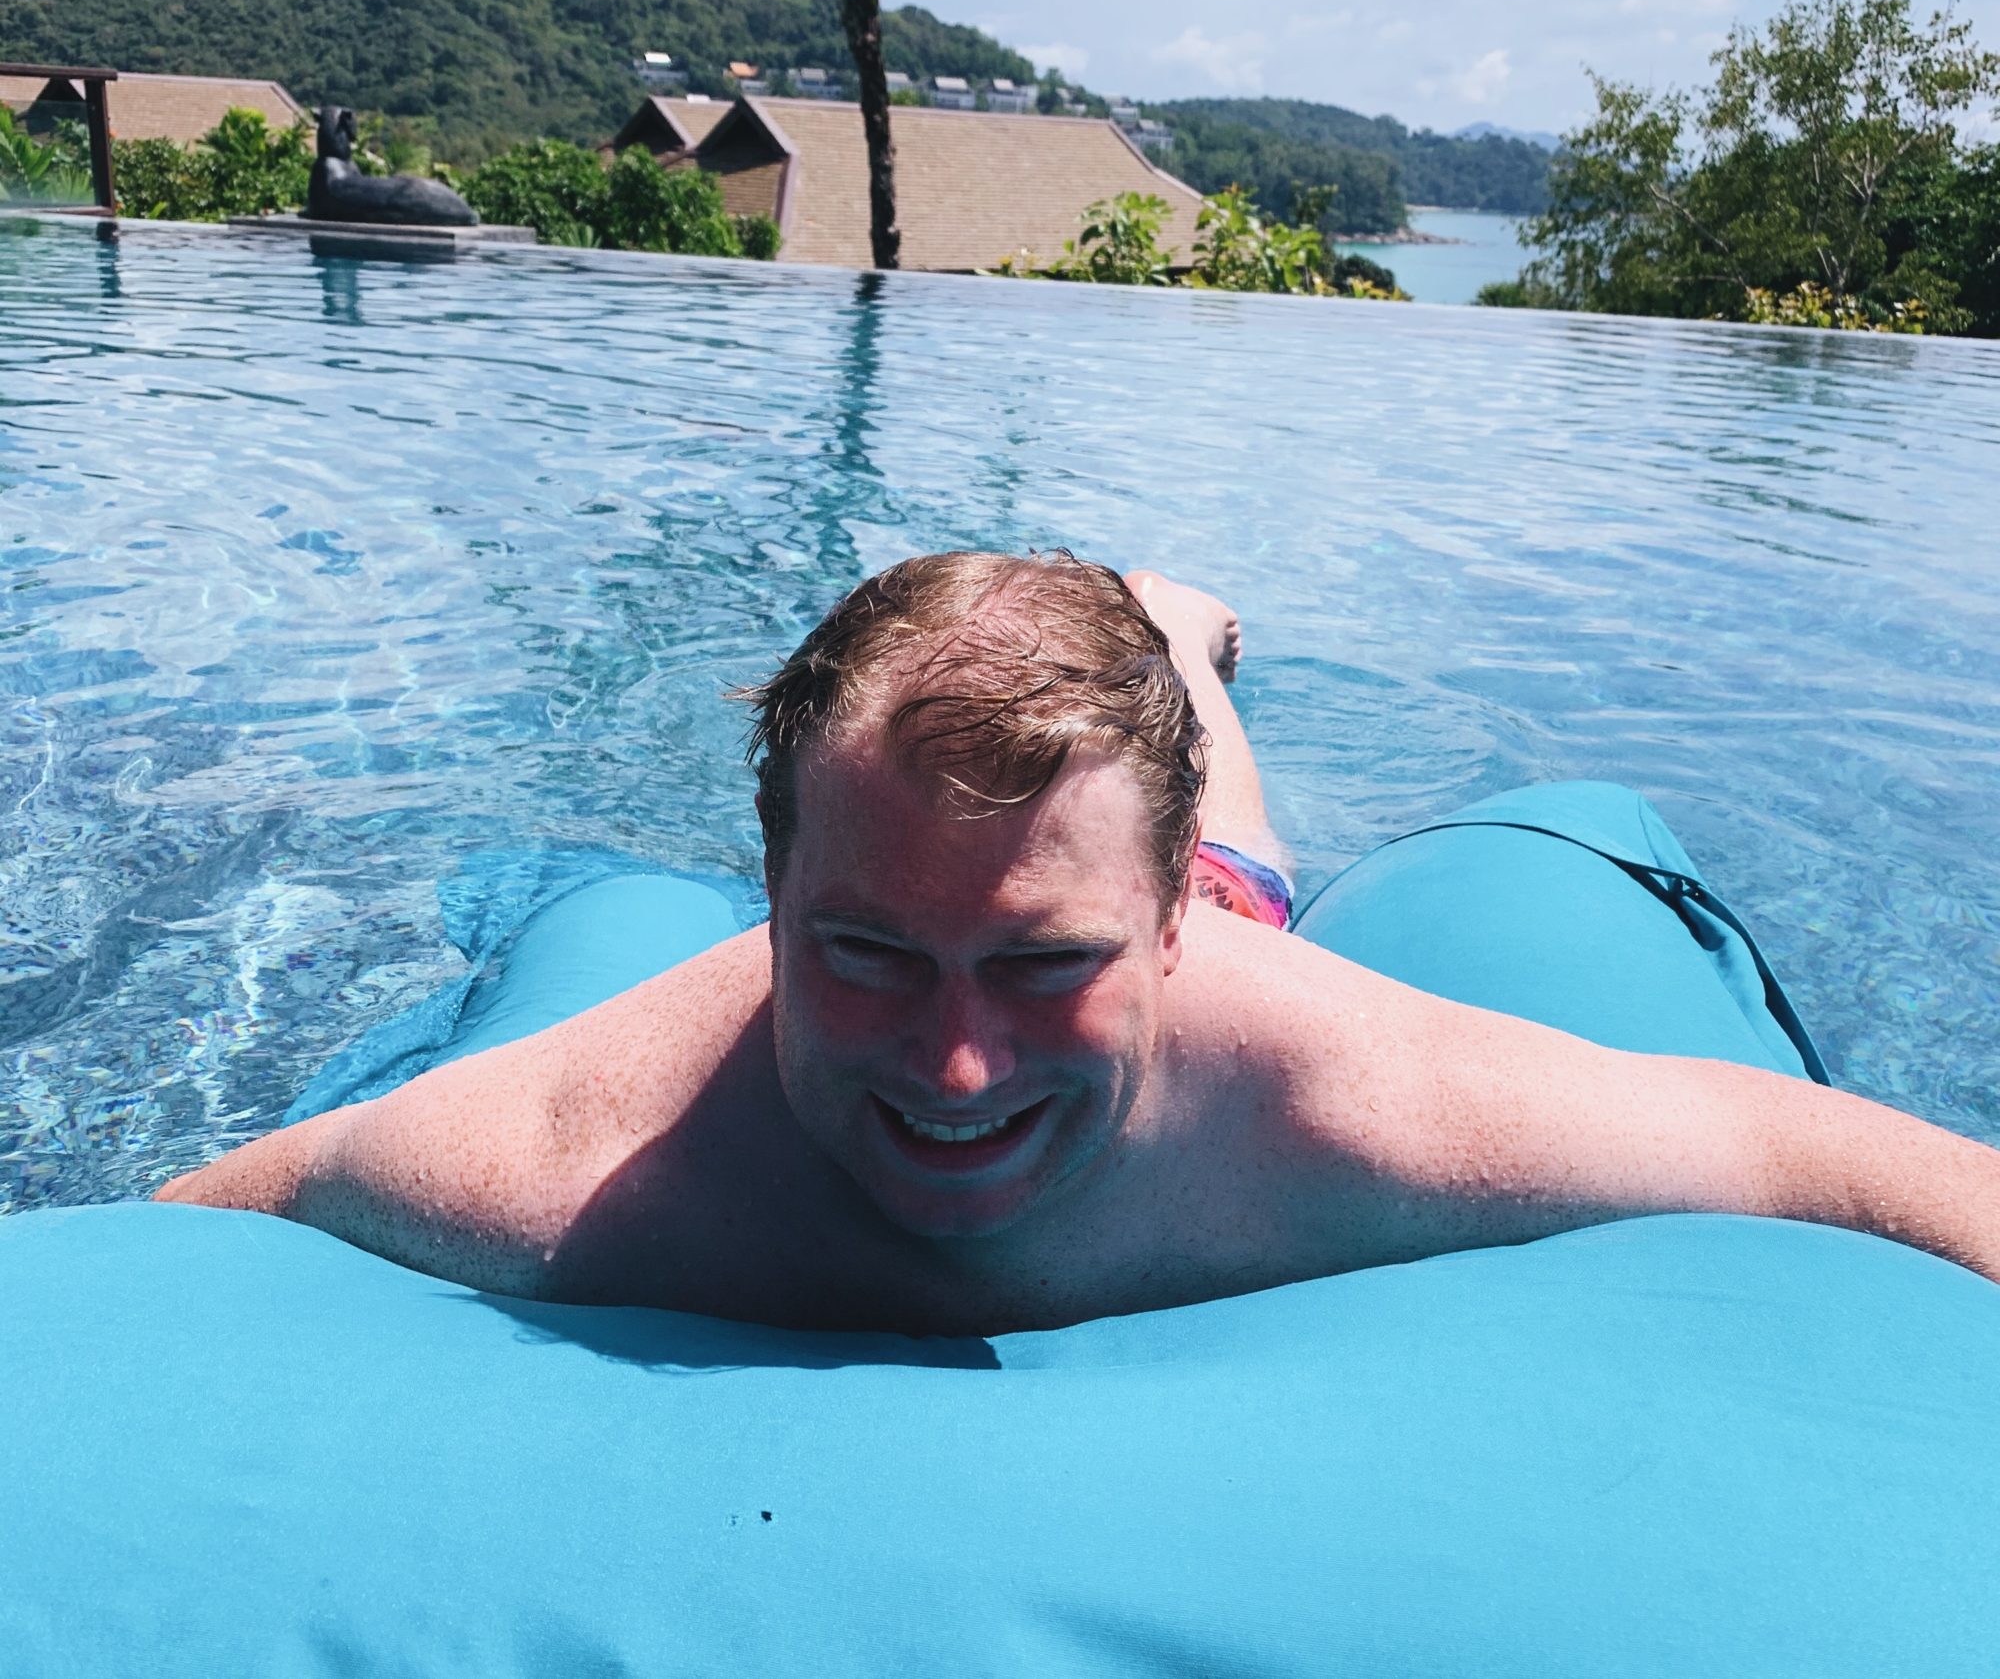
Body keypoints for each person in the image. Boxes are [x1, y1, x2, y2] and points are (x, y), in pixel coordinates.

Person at [157, 551, 2000, 1334]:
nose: (958, 1069)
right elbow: (183, 1232)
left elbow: (1823, 1155)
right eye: (864, 950)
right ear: (775, 903)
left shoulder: (1347, 1091)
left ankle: (1173, 633)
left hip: (1222, 898)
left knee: (1249, 832)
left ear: (1153, 931)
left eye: (1047, 966)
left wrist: (1027, 932)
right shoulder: (567, 1162)